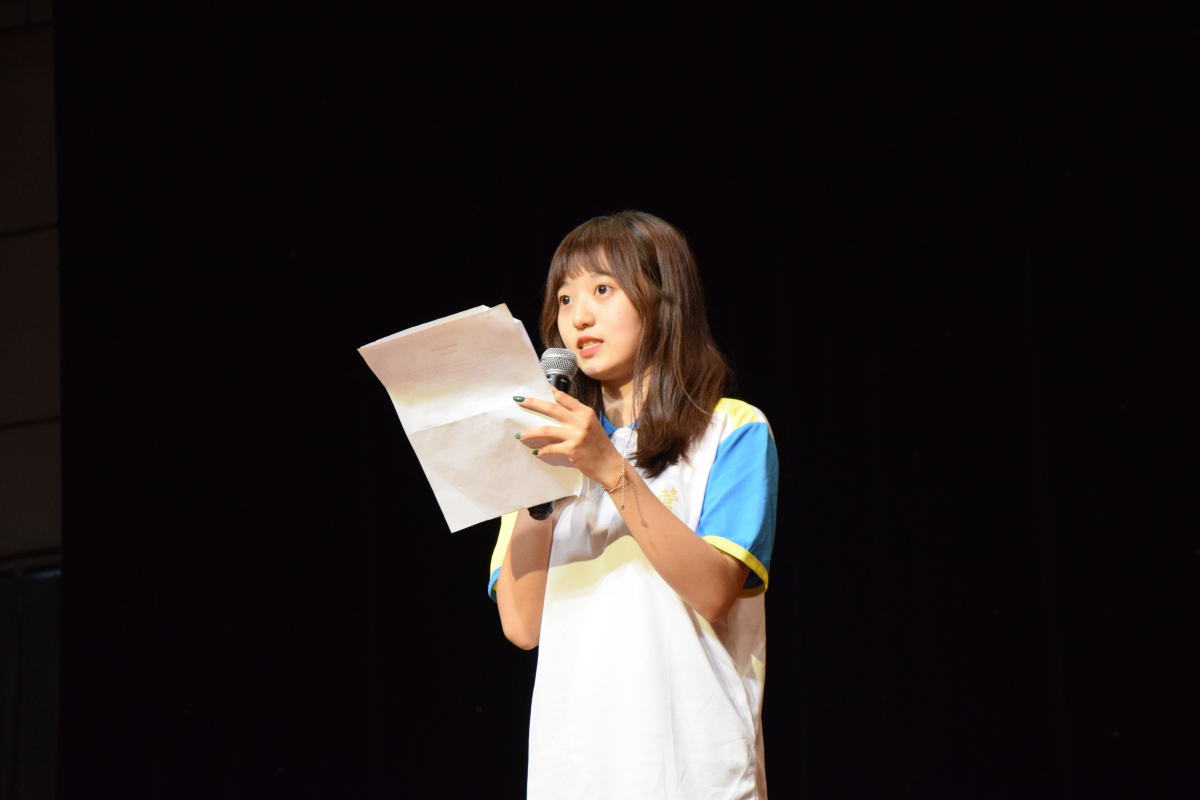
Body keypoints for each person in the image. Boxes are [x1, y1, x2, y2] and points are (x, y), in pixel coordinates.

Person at [488, 211, 778, 799]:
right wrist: (534, 485)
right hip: (572, 775)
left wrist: (610, 469)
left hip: (693, 774)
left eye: (602, 289)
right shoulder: (545, 454)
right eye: (564, 298)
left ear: (663, 301)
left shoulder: (732, 430)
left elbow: (715, 592)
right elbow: (521, 626)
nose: (578, 316)